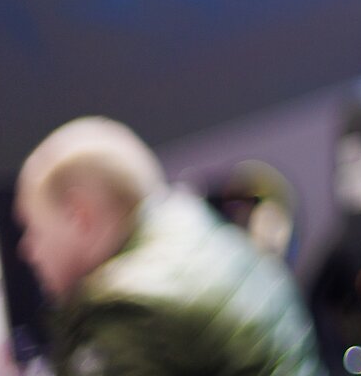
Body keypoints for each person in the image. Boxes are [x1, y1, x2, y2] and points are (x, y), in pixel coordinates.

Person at [16, 117, 321, 376]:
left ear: (79, 215)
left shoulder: (128, 309)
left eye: (33, 229)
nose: (27, 249)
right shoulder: (203, 232)